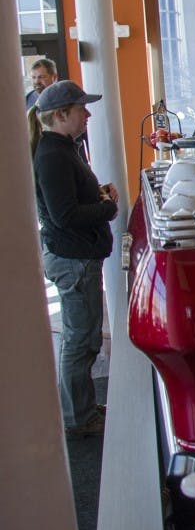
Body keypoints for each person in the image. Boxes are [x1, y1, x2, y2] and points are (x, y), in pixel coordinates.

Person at [29, 81, 119, 439]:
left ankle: (81, 408)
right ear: (61, 114)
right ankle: (79, 417)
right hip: (72, 257)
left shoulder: (62, 148)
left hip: (75, 255)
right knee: (80, 341)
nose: (88, 114)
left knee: (82, 338)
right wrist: (107, 207)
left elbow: (68, 203)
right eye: (82, 108)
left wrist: (98, 196)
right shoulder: (52, 155)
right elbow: (65, 215)